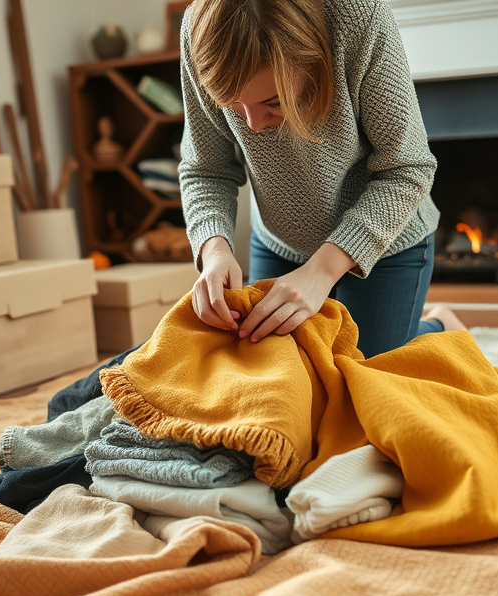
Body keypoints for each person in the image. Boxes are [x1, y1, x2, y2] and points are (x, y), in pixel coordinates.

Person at [178, 0, 465, 358]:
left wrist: (322, 272)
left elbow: (408, 168)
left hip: (388, 244)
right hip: (280, 243)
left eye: (273, 101)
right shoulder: (197, 29)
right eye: (233, 104)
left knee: (358, 373)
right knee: (275, 371)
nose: (251, 125)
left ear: (310, 53)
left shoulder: (358, 16)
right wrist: (214, 249)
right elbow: (205, 168)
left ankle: (438, 325)